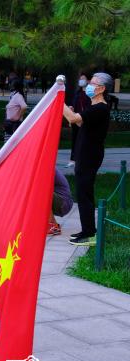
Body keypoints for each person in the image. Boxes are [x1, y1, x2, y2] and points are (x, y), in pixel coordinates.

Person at [63, 72, 113, 246]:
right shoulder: (95, 108)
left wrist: (57, 100)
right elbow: (78, 121)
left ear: (102, 89)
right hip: (86, 155)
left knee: (84, 195)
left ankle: (89, 234)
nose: (89, 85)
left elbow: (73, 118)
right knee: (84, 194)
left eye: (93, 83)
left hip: (89, 156)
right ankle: (88, 230)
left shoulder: (100, 108)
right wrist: (69, 110)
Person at [68, 74, 90, 168]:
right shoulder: (77, 93)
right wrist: (71, 108)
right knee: (75, 139)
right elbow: (74, 105)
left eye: (83, 79)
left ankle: (83, 159)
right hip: (75, 120)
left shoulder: (90, 94)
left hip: (84, 120)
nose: (81, 80)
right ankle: (73, 159)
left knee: (84, 140)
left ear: (88, 81)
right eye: (80, 79)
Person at [48, 168, 74, 236]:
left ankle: (52, 225)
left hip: (64, 202)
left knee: (41, 191)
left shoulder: (46, 168)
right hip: (61, 201)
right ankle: (52, 224)